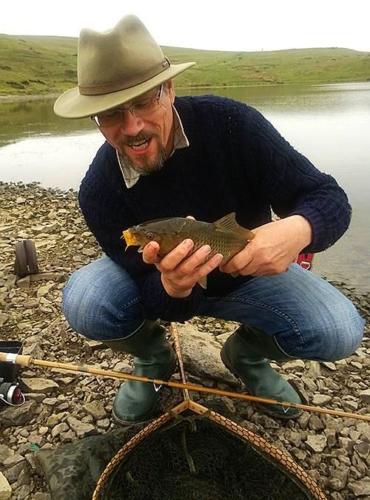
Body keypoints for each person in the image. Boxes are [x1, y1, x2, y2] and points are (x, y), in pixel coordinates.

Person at [54, 15, 364, 425]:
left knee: (340, 329)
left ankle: (246, 355)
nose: (132, 127)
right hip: (168, 288)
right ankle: (152, 357)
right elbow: (149, 290)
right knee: (85, 301)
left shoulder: (233, 125)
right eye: (111, 113)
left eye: (145, 101)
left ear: (170, 90)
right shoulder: (98, 191)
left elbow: (330, 199)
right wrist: (172, 287)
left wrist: (297, 230)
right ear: (94, 117)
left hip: (251, 275)